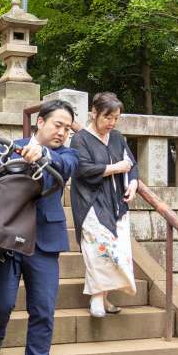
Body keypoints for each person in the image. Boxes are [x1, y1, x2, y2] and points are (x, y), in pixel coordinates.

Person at [0, 99, 79, 355]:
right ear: (40, 122)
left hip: (45, 241)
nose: (62, 132)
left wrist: (45, 154)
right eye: (57, 125)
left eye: (67, 128)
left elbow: (65, 166)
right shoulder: (14, 146)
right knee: (2, 302)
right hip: (9, 238)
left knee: (43, 310)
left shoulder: (67, 154)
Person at [70, 92, 139, 318]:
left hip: (116, 201)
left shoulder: (117, 137)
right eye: (108, 117)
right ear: (94, 113)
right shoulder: (80, 139)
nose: (112, 123)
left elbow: (131, 163)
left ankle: (104, 296)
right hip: (90, 201)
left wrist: (134, 183)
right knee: (97, 248)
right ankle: (98, 297)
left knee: (116, 249)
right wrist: (115, 169)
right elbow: (83, 169)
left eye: (116, 118)